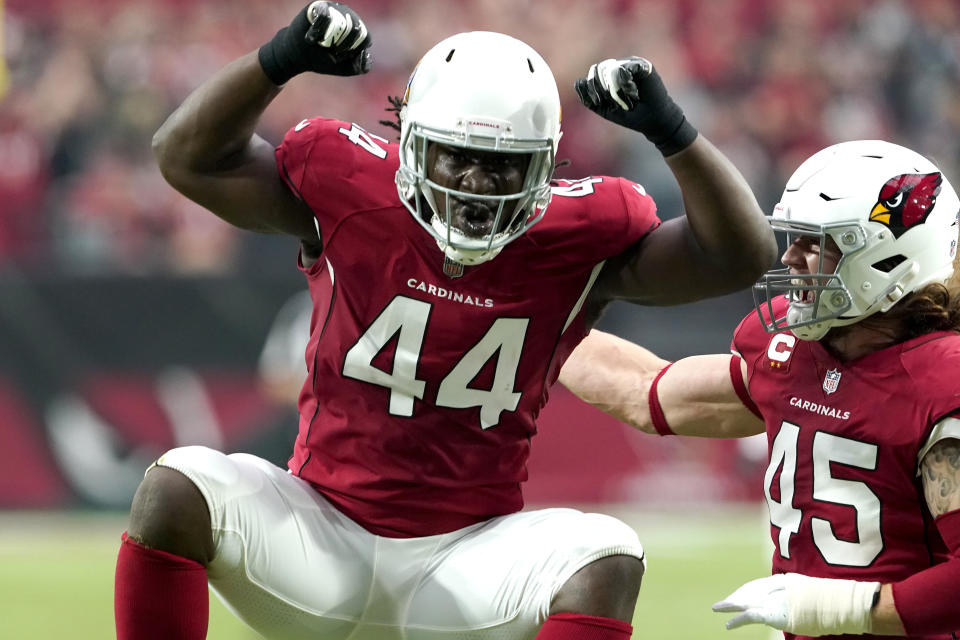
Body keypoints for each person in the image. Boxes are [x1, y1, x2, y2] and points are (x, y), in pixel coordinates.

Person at [117, 2, 776, 639]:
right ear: (409, 145)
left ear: (545, 166)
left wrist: (673, 131)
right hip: (318, 538)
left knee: (604, 554)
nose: (474, 184)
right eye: (455, 156)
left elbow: (738, 256)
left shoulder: (578, 238)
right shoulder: (352, 192)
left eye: (501, 166)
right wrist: (277, 58)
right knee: (176, 487)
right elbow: (184, 155)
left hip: (466, 564)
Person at [559, 139, 960, 639]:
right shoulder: (791, 352)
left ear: (889, 259)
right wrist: (531, 321)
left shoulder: (944, 381)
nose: (790, 257)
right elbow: (647, 391)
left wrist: (831, 606)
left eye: (817, 243)